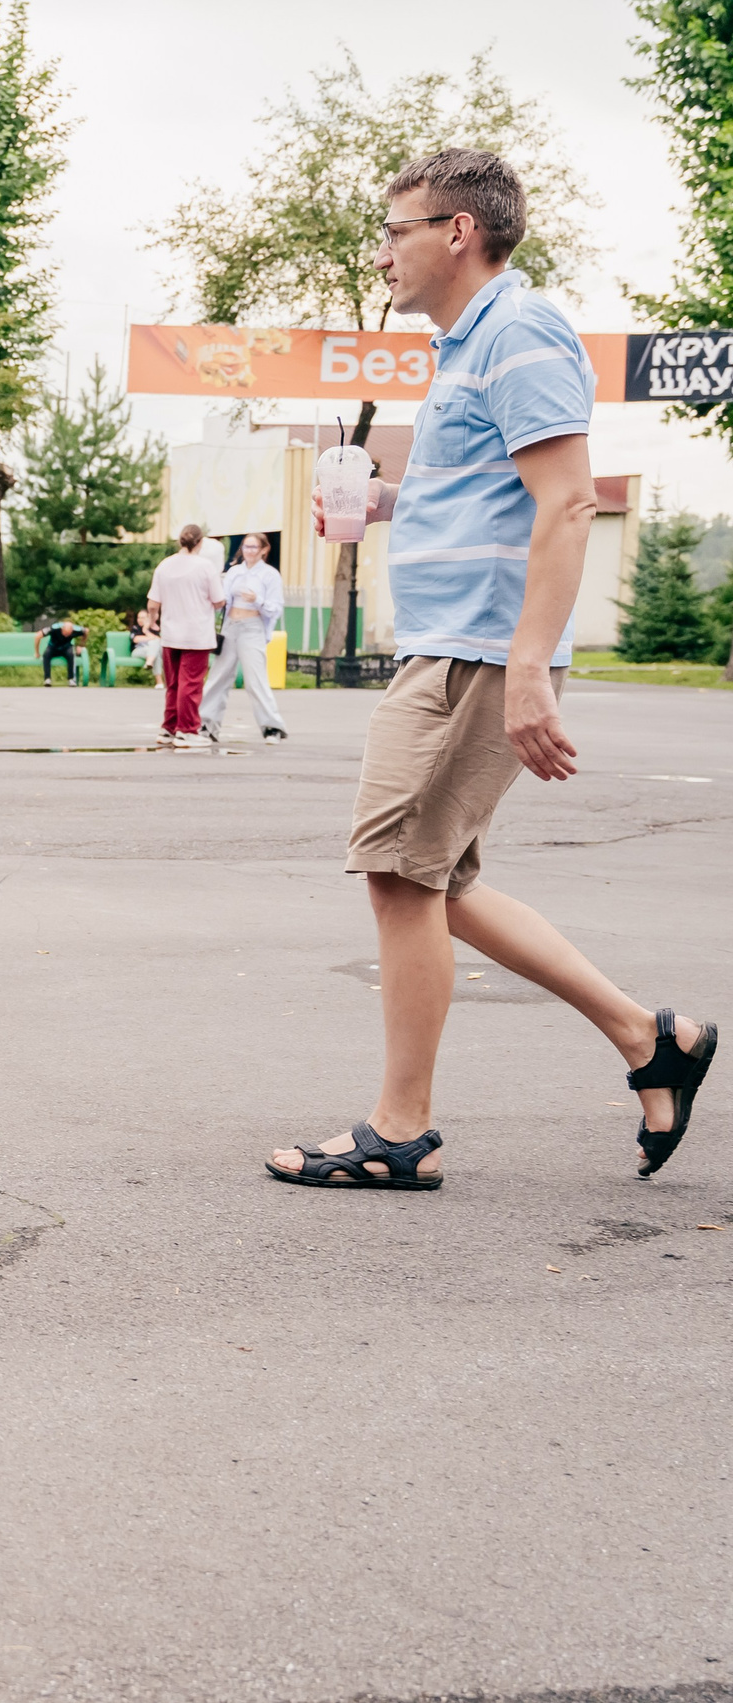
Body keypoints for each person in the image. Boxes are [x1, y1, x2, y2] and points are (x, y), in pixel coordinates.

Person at [267, 146, 715, 1193]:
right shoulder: (468, 345)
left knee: (396, 870)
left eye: (395, 229)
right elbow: (491, 498)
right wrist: (376, 507)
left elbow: (567, 501)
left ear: (456, 232)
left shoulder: (518, 328)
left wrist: (525, 669)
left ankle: (399, 1128)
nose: (382, 253)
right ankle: (651, 1039)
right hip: (452, 641)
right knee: (441, 881)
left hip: (475, 649)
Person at [199, 532, 289, 741]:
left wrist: (257, 600)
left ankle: (271, 726)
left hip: (252, 627)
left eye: (253, 547)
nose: (248, 551)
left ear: (263, 550)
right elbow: (222, 600)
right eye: (246, 547)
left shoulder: (269, 575)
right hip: (231, 625)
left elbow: (275, 608)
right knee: (218, 677)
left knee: (255, 680)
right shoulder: (234, 572)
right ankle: (207, 724)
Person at [145, 524, 224, 746]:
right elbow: (218, 601)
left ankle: (168, 728)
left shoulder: (165, 565)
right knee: (191, 684)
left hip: (170, 634)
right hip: (197, 634)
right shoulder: (205, 567)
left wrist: (153, 622)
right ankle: (187, 730)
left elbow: (152, 603)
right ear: (199, 542)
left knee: (173, 684)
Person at [40, 616, 88, 686]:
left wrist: (81, 645)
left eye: (68, 634)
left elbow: (86, 631)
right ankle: (47, 679)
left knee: (71, 654)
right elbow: (38, 635)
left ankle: (71, 679)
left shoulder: (76, 629)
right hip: (53, 647)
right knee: (46, 654)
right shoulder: (55, 628)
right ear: (62, 629)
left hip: (66, 647)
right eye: (65, 633)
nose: (66, 635)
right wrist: (37, 652)